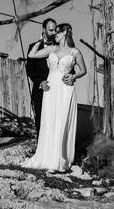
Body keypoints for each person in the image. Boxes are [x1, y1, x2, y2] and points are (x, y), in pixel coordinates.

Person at [22, 23, 87, 172]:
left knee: (61, 122)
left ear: (65, 33)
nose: (54, 34)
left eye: (57, 32)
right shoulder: (51, 49)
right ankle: (47, 157)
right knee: (49, 121)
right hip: (51, 90)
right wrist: (39, 40)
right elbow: (31, 55)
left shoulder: (74, 52)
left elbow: (83, 70)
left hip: (65, 89)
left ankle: (59, 159)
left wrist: (74, 75)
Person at [26, 18, 57, 130]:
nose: (54, 33)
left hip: (57, 91)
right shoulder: (33, 47)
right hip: (40, 92)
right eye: (51, 30)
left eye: (55, 30)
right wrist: (40, 82)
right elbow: (29, 69)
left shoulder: (60, 47)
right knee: (41, 123)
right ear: (44, 30)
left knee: (56, 123)